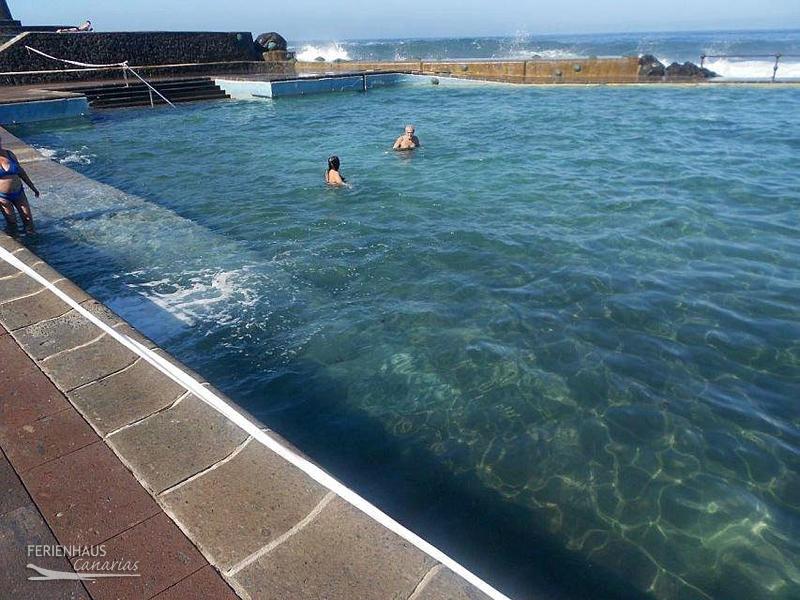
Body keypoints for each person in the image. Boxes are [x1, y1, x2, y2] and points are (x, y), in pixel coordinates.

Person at [0, 136, 41, 234]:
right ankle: (17, 243)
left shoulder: (9, 154)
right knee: (12, 224)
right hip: (3, 197)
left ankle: (34, 245)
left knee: (29, 222)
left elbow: (21, 172)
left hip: (19, 193)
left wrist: (33, 187)